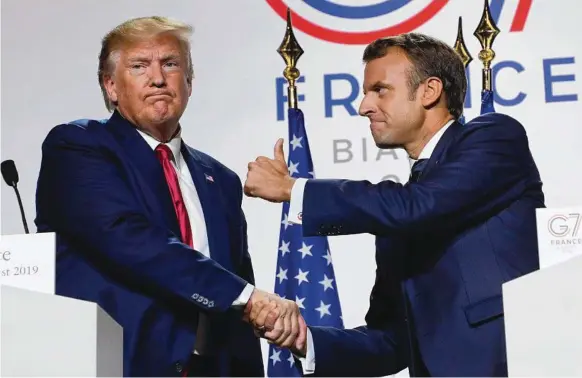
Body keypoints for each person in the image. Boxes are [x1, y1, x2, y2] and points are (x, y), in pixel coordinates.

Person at [244, 32, 545, 377]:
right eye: (365, 93)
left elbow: (418, 207)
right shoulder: (395, 214)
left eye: (380, 90)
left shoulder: (494, 137)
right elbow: (390, 341)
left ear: (429, 92)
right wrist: (303, 340)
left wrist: (294, 189)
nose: (363, 107)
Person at [34, 16, 304, 377]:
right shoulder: (78, 147)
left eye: (171, 64)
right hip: (119, 366)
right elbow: (128, 238)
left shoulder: (219, 180)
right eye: (139, 66)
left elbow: (237, 292)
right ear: (111, 85)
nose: (158, 78)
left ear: (189, 83)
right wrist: (247, 296)